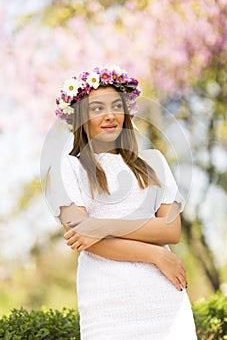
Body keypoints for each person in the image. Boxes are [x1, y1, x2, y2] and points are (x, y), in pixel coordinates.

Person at [46, 65, 197, 339]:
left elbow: (170, 230)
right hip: (107, 301)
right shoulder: (68, 166)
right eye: (97, 109)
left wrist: (101, 225)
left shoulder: (155, 162)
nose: (110, 116)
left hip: (163, 294)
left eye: (117, 106)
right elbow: (81, 235)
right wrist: (156, 254)